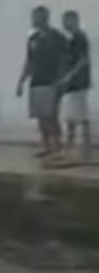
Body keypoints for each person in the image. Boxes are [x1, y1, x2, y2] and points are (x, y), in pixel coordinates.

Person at [16, 5, 68, 157]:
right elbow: (29, 62)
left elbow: (64, 60)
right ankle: (46, 145)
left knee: (51, 115)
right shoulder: (33, 39)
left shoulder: (57, 37)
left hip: (51, 81)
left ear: (44, 18)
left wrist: (60, 80)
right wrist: (21, 81)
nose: (33, 20)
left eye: (36, 17)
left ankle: (57, 145)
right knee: (40, 115)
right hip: (36, 81)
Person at [58, 10, 90, 162]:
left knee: (80, 117)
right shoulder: (72, 39)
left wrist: (69, 76)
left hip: (78, 83)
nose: (64, 24)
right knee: (71, 117)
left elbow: (83, 60)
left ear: (74, 20)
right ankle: (70, 148)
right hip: (72, 84)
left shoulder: (79, 38)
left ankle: (84, 150)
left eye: (66, 20)